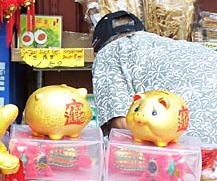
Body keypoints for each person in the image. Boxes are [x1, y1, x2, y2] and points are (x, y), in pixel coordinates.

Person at [91, 10, 217, 145]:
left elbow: (121, 126)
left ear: (96, 50)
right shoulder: (175, 46)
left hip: (189, 149)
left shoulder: (107, 54)